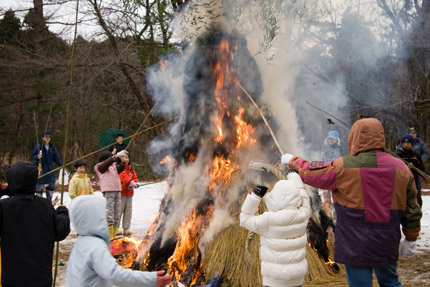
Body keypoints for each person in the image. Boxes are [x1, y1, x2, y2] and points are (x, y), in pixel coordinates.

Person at [282, 118, 422, 287]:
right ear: (381, 137)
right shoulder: (401, 168)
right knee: (390, 283)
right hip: (386, 240)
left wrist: (293, 161)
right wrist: (411, 238)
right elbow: (412, 208)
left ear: (354, 138)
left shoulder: (343, 166)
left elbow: (313, 172)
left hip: (355, 243)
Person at [66, 195, 171, 287]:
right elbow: (115, 274)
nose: (107, 213)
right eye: (103, 211)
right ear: (93, 216)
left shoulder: (82, 243)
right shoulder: (96, 247)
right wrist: (151, 280)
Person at [0, 161, 70, 287]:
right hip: (40, 278)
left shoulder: (4, 207)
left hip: (12, 279)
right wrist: (62, 213)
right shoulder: (45, 206)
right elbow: (61, 231)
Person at [240, 172, 311, 287]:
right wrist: (294, 176)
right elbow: (304, 197)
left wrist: (255, 197)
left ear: (274, 198)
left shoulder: (268, 219)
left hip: (274, 280)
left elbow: (244, 219)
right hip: (296, 278)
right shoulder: (303, 215)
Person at [95, 150, 128, 240]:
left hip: (117, 190)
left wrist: (123, 162)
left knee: (117, 213)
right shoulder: (99, 166)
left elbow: (120, 169)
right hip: (108, 190)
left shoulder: (113, 167)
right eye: (111, 158)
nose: (113, 161)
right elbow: (104, 165)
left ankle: (114, 234)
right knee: (110, 213)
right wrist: (115, 156)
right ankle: (109, 236)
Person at [30, 131, 63, 201]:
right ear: (43, 137)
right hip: (41, 170)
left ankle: (49, 201)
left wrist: (61, 166)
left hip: (50, 170)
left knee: (51, 186)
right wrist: (37, 157)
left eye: (49, 137)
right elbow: (33, 157)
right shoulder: (38, 146)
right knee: (40, 188)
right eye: (46, 137)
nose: (48, 139)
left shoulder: (52, 147)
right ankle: (39, 202)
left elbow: (56, 157)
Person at [396, 134, 426, 207]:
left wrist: (419, 178)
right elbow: (394, 169)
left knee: (417, 202)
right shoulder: (398, 155)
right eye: (404, 143)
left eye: (408, 143)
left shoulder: (416, 155)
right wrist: (405, 167)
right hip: (402, 183)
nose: (406, 144)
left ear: (411, 144)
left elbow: (422, 169)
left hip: (415, 183)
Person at [118, 153, 138, 236]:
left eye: (127, 157)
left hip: (129, 193)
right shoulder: (119, 168)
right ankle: (115, 228)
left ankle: (126, 228)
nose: (126, 159)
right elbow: (123, 177)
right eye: (124, 157)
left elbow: (135, 178)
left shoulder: (131, 169)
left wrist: (133, 183)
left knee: (128, 211)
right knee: (119, 210)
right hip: (121, 193)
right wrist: (130, 182)